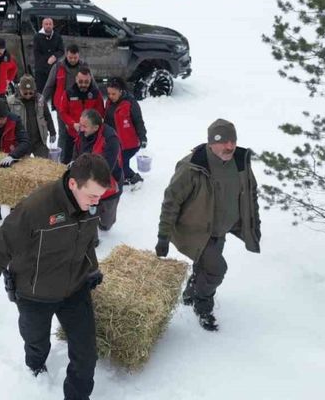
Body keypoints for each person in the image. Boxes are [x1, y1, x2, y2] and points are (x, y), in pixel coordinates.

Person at [0, 153, 110, 400]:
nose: (97, 202)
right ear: (73, 183)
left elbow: (85, 239)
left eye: (100, 196)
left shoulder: (87, 202)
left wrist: (91, 267)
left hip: (75, 288)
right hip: (35, 294)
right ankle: (35, 364)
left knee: (86, 355)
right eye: (92, 195)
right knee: (36, 343)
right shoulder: (35, 209)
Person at [156, 119, 261, 332]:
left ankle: (191, 290)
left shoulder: (240, 163)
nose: (229, 146)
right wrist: (163, 236)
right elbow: (171, 201)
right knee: (217, 269)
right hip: (194, 231)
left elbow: (250, 195)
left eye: (233, 141)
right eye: (223, 142)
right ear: (211, 142)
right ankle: (202, 303)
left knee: (206, 266)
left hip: (220, 230)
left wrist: (253, 225)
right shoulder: (192, 166)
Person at [73, 109, 123, 232]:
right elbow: (76, 152)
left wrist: (90, 179)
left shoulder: (110, 138)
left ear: (95, 128)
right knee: (88, 213)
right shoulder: (83, 133)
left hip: (108, 183)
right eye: (80, 124)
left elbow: (107, 168)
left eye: (85, 126)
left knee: (107, 221)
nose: (81, 128)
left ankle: (105, 224)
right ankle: (91, 238)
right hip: (88, 182)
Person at [43, 45, 91, 160]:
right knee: (63, 134)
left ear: (78, 55)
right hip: (62, 107)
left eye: (75, 58)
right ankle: (61, 159)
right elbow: (49, 85)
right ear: (66, 55)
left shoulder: (84, 66)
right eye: (70, 57)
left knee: (80, 132)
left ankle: (78, 158)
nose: (73, 60)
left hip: (79, 106)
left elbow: (91, 83)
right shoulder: (58, 66)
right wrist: (42, 100)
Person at [55, 66, 105, 163]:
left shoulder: (95, 94)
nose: (83, 84)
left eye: (86, 82)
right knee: (67, 160)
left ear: (90, 80)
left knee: (88, 162)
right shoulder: (68, 93)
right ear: (76, 80)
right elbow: (63, 112)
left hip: (90, 136)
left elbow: (100, 114)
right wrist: (72, 124)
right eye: (81, 81)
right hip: (72, 134)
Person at [104, 78, 147, 189]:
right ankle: (122, 178)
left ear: (121, 91)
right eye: (109, 93)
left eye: (114, 93)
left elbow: (138, 121)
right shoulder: (109, 103)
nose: (110, 96)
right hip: (116, 141)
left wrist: (143, 137)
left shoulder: (131, 103)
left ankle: (135, 178)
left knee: (120, 164)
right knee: (119, 162)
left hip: (130, 143)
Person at [7, 74, 56, 158]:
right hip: (22, 142)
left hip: (39, 140)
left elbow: (47, 116)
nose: (28, 95)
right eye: (25, 93)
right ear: (20, 89)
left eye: (31, 92)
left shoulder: (40, 100)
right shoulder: (11, 102)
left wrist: (52, 132)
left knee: (44, 163)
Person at [32, 17, 64, 92]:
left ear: (53, 25)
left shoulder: (57, 37)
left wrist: (54, 56)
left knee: (54, 89)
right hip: (41, 68)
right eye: (46, 24)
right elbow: (37, 53)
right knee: (41, 90)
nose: (48, 26)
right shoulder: (37, 37)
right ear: (43, 25)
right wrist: (47, 61)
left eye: (50, 24)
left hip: (54, 68)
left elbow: (61, 50)